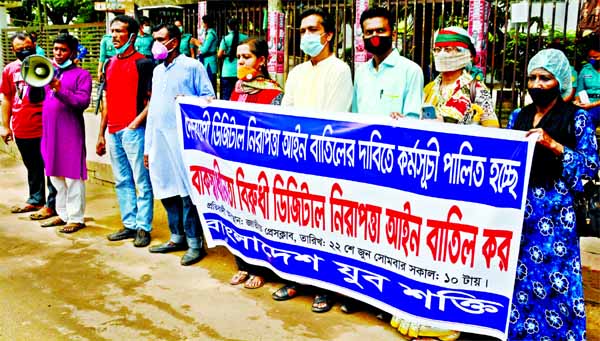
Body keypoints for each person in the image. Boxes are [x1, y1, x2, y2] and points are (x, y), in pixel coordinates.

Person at [507, 48, 597, 340]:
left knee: (555, 280)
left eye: (545, 78)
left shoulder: (576, 118)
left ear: (560, 81)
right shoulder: (518, 116)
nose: (536, 84)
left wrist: (553, 144)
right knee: (519, 277)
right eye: (532, 77)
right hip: (520, 211)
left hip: (556, 216)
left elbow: (590, 167)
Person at [272, 7, 353, 313]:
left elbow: (333, 119)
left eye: (311, 30)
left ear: (327, 35)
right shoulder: (296, 72)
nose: (305, 36)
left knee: (325, 229)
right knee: (294, 223)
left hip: (324, 163)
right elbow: (286, 113)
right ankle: (296, 280)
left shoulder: (339, 70)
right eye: (302, 31)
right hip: (293, 161)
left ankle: (324, 288)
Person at [145, 24, 215, 266]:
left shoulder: (191, 67)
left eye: (160, 39)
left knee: (187, 193)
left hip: (185, 142)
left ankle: (195, 243)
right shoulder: (157, 71)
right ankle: (176, 237)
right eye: (154, 39)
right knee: (166, 189)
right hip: (160, 140)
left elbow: (210, 99)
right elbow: (153, 109)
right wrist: (148, 146)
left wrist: (190, 100)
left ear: (173, 42)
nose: (155, 44)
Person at [96, 15, 155, 247]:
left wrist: (136, 122)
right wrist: (101, 133)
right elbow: (107, 101)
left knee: (141, 180)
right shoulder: (110, 63)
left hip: (134, 131)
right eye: (112, 31)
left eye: (120, 31)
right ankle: (129, 224)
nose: (115, 36)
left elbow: (153, 100)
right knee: (122, 180)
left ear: (132, 35)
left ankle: (143, 226)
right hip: (113, 131)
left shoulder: (144, 63)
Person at [229, 38, 283, 287]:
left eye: (247, 57)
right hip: (236, 164)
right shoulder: (237, 88)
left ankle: (261, 269)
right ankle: (242, 264)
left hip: (260, 167)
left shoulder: (273, 93)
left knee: (260, 218)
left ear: (261, 61)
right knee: (238, 216)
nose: (241, 61)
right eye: (239, 57)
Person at [0, 32, 57, 221]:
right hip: (22, 125)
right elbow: (7, 98)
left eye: (28, 47)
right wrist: (5, 126)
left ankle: (53, 204)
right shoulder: (10, 70)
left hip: (46, 125)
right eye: (20, 49)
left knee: (51, 166)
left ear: (34, 45)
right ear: (13, 50)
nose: (24, 51)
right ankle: (36, 199)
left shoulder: (49, 65)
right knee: (32, 165)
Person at [38, 33, 92, 233]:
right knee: (54, 174)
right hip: (50, 131)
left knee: (73, 176)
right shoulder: (48, 73)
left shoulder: (81, 75)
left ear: (72, 52)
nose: (58, 54)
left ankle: (76, 218)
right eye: (55, 49)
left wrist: (60, 89)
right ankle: (62, 215)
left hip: (70, 130)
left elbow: (82, 102)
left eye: (63, 50)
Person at [352, 6, 423, 117]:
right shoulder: (361, 72)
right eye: (369, 32)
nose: (375, 36)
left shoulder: (411, 71)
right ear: (363, 37)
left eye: (380, 30)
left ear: (393, 35)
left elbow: (413, 118)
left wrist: (401, 120)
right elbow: (355, 115)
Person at [422, 27, 499, 127]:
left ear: (468, 54)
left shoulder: (477, 90)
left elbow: (492, 129)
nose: (441, 54)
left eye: (448, 50)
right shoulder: (429, 88)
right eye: (437, 50)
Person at [218, 18, 248, 100]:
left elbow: (219, 55)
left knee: (227, 97)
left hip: (227, 72)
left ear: (228, 27)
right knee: (239, 96)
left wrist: (227, 54)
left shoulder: (225, 39)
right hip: (241, 71)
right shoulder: (245, 38)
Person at [574, 35, 600, 126]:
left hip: (597, 104)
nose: (592, 60)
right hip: (586, 103)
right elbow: (579, 91)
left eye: (596, 57)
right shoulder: (585, 70)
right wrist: (577, 102)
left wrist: (592, 105)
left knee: (590, 116)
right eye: (590, 57)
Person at [194, 15, 218, 94]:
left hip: (209, 63)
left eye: (203, 23)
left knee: (210, 84)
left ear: (206, 23)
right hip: (207, 62)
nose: (202, 25)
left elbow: (204, 50)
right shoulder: (209, 33)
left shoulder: (211, 34)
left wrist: (197, 44)